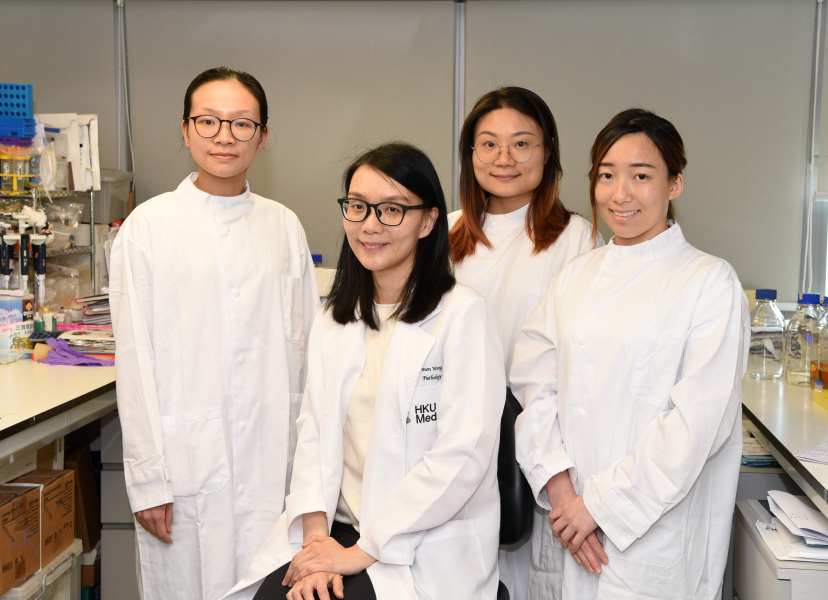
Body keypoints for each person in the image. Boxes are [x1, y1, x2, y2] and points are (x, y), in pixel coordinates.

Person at [222, 142, 506, 600]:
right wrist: (317, 547)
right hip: (337, 530)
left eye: (392, 209)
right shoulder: (335, 317)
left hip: (422, 542)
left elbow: (462, 457)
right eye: (357, 206)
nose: (370, 225)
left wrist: (360, 553)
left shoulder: (463, 316)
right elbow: (313, 437)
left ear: (428, 221)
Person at [511, 108, 749, 599]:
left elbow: (696, 425)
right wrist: (562, 492)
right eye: (606, 176)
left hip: (652, 538)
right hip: (569, 526)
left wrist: (598, 507)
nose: (620, 194)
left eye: (641, 176)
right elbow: (534, 385)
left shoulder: (709, 282)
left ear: (675, 183)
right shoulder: (575, 277)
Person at [109, 67, 320, 600]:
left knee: (270, 585)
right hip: (184, 468)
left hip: (274, 461)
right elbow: (134, 361)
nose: (225, 136)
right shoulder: (148, 228)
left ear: (262, 137)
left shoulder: (284, 226)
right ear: (185, 129)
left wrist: (311, 473)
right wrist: (149, 479)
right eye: (208, 121)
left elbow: (309, 354)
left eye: (242, 123)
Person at [448, 87, 601, 600]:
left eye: (521, 143)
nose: (504, 158)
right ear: (470, 154)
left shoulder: (576, 238)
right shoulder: (442, 233)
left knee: (530, 579)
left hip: (538, 445)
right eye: (488, 144)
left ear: (548, 151)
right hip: (453, 440)